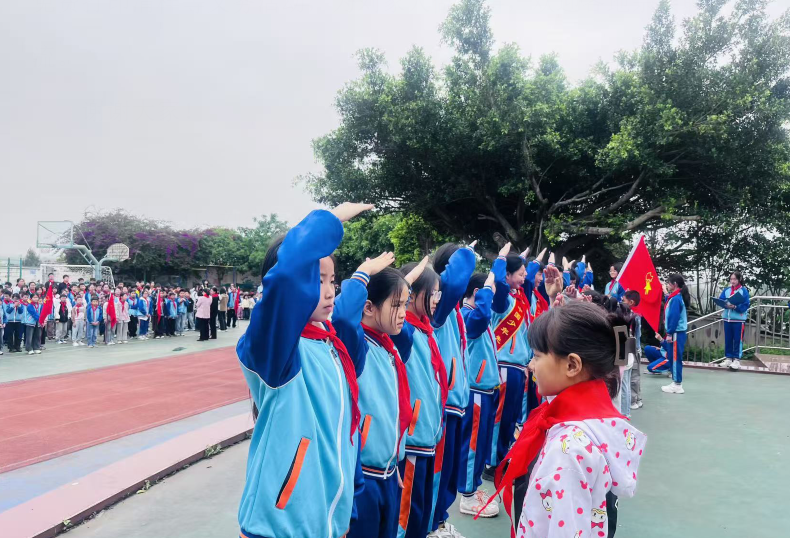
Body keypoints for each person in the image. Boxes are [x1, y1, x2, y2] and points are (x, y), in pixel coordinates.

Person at [235, 202, 374, 538]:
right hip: (280, 528)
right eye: (316, 279)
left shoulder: (330, 345)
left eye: (332, 280)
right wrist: (329, 220)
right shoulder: (277, 350)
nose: (328, 292)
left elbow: (342, 435)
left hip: (328, 523)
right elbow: (285, 278)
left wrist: (348, 505)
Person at [481, 301, 646, 538]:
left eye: (537, 356)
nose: (531, 365)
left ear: (572, 365)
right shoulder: (590, 421)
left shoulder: (568, 450)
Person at [389, 260, 446, 538]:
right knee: (406, 516)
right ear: (411, 295)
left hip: (427, 435)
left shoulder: (426, 330)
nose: (437, 300)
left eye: (438, 293)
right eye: (432, 293)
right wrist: (405, 284)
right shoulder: (404, 332)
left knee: (420, 509)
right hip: (413, 438)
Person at [426, 241, 478, 538]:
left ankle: (439, 521)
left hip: (456, 402)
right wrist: (466, 252)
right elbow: (456, 279)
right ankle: (432, 526)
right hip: (444, 405)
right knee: (438, 472)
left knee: (448, 471)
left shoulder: (453, 309)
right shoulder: (440, 302)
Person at [457, 244, 511, 519]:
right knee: (473, 446)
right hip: (476, 391)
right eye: (488, 292)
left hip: (486, 390)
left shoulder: (476, 317)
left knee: (480, 445)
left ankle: (474, 487)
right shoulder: (469, 316)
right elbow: (482, 313)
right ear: (478, 293)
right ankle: (467, 496)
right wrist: (497, 267)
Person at [660, 274, 689, 395]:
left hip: (676, 332)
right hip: (675, 332)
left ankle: (677, 384)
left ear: (675, 284)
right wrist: (665, 292)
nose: (667, 285)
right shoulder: (675, 297)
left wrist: (670, 333)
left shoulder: (676, 298)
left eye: (668, 283)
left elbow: (674, 317)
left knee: (676, 358)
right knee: (672, 357)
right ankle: (675, 382)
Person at [719, 271, 750, 371]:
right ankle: (728, 358)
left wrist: (735, 307)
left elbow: (746, 304)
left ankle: (736, 360)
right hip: (727, 319)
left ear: (739, 279)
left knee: (737, 340)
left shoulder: (743, 291)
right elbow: (721, 300)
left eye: (735, 279)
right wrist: (725, 304)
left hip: (739, 320)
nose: (732, 281)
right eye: (731, 279)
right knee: (728, 339)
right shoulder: (727, 290)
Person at [622, 290, 643, 410]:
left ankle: (633, 400)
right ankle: (637, 398)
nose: (621, 302)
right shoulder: (633, 315)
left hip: (633, 348)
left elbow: (635, 334)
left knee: (633, 376)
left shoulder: (634, 317)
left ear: (631, 302)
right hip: (633, 347)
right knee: (635, 375)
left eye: (623, 300)